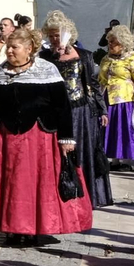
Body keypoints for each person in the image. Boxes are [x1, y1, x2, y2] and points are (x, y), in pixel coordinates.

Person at [0, 25, 93, 245]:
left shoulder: (47, 70)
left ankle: (34, 229)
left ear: (29, 48)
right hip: (5, 138)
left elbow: (62, 107)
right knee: (8, 185)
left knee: (36, 185)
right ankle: (11, 229)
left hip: (40, 139)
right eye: (8, 48)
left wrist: (66, 138)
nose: (10, 52)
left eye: (15, 47)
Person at [42, 11, 112, 209]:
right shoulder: (45, 57)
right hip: (55, 112)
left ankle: (85, 196)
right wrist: (54, 57)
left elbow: (93, 84)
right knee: (59, 154)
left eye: (59, 34)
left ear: (68, 33)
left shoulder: (85, 56)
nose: (55, 38)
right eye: (52, 34)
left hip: (81, 112)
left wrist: (102, 110)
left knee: (82, 152)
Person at [99, 25, 134, 172]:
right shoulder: (106, 58)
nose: (110, 45)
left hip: (125, 101)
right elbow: (100, 78)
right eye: (110, 42)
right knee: (109, 130)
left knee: (123, 130)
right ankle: (113, 159)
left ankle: (124, 160)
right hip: (107, 99)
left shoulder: (133, 59)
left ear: (123, 44)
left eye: (114, 42)